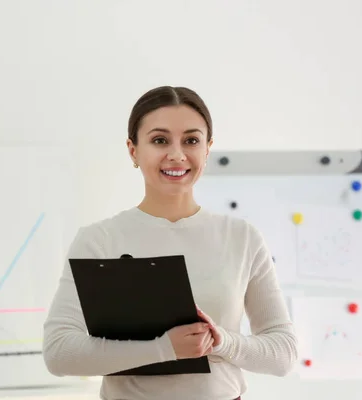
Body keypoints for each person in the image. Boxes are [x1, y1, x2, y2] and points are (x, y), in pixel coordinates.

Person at [42, 85, 298, 400]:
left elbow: (283, 353)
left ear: (207, 148)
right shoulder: (99, 239)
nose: (176, 155)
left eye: (191, 140)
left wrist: (221, 342)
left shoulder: (242, 238)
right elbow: (58, 352)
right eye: (159, 140)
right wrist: (164, 348)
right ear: (133, 150)